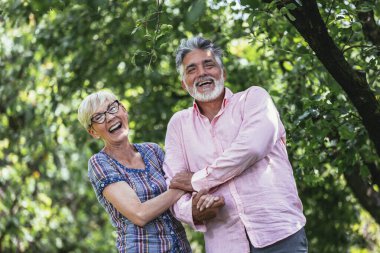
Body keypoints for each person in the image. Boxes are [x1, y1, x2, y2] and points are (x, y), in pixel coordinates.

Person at [163, 36, 308, 253]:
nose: (201, 73)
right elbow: (174, 182)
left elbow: (250, 149)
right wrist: (191, 210)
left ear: (223, 72)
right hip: (224, 244)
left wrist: (196, 181)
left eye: (209, 64)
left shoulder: (254, 99)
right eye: (191, 69)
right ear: (184, 84)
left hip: (278, 232)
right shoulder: (178, 125)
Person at [77, 90, 219, 253]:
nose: (109, 117)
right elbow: (139, 214)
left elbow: (183, 192)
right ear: (93, 132)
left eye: (112, 108)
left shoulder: (153, 151)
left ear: (123, 109)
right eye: (99, 117)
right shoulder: (100, 163)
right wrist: (184, 185)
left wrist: (200, 198)